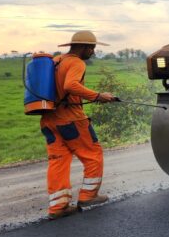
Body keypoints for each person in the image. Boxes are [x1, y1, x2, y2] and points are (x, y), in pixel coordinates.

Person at [41, 31, 116, 220]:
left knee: (58, 160)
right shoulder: (76, 62)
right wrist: (98, 96)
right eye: (93, 48)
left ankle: (58, 206)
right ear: (85, 47)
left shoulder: (57, 61)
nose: (93, 52)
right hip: (71, 119)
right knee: (93, 154)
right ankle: (88, 196)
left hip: (49, 120)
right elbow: (70, 85)